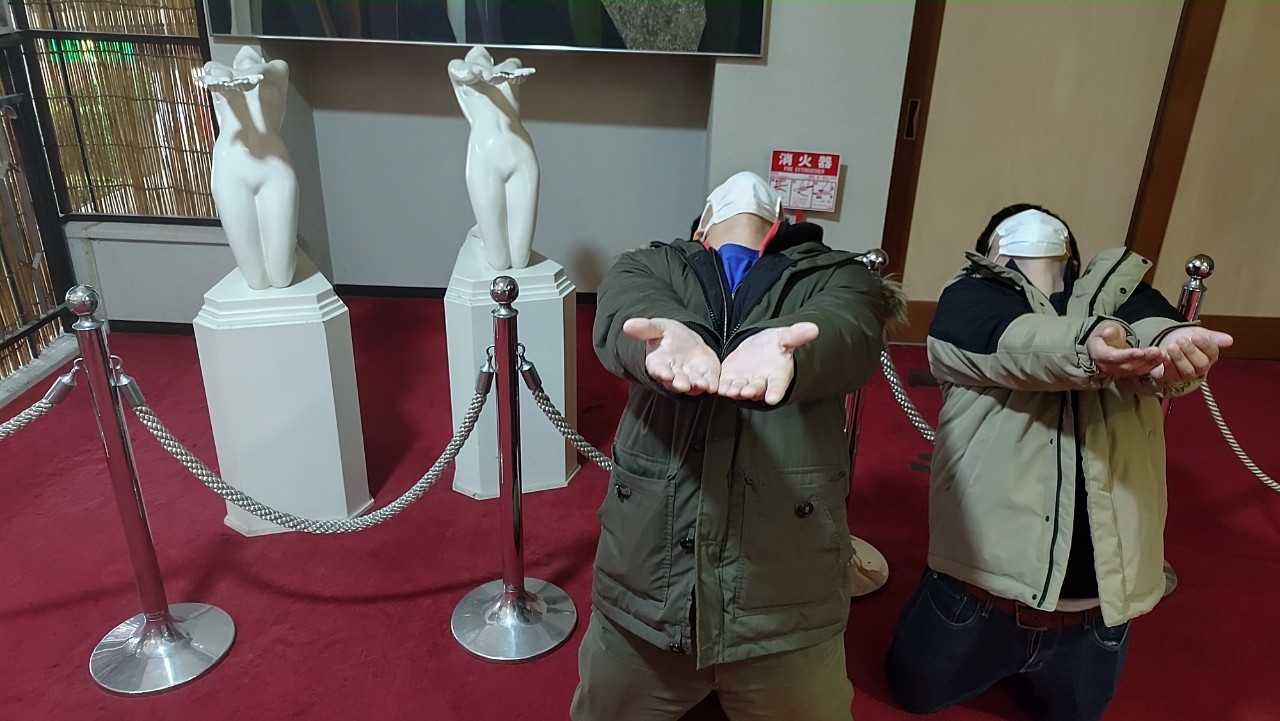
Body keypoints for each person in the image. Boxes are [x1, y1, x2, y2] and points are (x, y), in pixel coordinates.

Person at [572, 171, 903, 721]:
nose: (744, 188)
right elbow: (624, 311)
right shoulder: (650, 265)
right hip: (646, 598)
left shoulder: (837, 274)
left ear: (783, 221)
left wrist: (793, 353)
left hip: (786, 611)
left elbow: (850, 330)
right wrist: (670, 335)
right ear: (701, 222)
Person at [883, 204, 1234, 721]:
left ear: (1074, 257)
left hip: (1096, 614)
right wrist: (1089, 346)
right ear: (991, 254)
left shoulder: (1122, 293)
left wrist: (1173, 343)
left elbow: (1154, 326)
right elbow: (1015, 341)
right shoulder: (974, 295)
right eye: (1011, 229)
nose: (1032, 221)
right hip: (975, 594)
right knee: (914, 694)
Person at [198, 46, 299, 290]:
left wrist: (255, 74)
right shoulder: (222, 80)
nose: (245, 52)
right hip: (231, 171)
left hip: (274, 169)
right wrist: (226, 77)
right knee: (256, 280)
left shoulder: (274, 76)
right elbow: (212, 68)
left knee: (281, 277)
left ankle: (289, 250)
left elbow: (273, 69)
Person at [448, 45, 539, 272]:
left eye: (484, 53)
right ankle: (481, 232)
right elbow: (465, 71)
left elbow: (514, 63)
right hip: (484, 160)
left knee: (521, 260)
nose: (479, 51)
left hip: (521, 155)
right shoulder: (460, 71)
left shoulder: (507, 70)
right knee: (499, 262)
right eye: (473, 52)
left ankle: (486, 228)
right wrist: (484, 73)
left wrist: (507, 74)